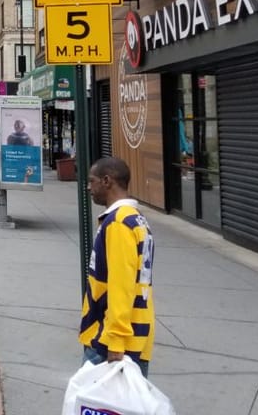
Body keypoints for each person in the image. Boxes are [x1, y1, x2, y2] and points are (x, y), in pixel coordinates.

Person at [79, 156, 155, 378]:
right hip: (134, 335)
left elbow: (120, 285)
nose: (88, 187)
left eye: (91, 181)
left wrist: (116, 340)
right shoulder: (135, 219)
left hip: (109, 341)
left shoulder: (119, 224)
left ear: (106, 181)